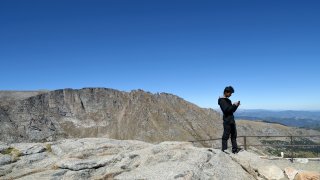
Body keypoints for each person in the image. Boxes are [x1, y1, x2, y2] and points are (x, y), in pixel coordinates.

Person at [218, 86, 242, 154]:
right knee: (225, 137)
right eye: (230, 93)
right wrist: (234, 105)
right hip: (227, 121)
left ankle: (235, 150)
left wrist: (236, 106)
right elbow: (226, 110)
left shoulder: (228, 100)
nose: (231, 94)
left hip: (231, 120)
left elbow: (232, 110)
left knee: (234, 136)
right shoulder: (222, 100)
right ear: (226, 92)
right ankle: (224, 151)